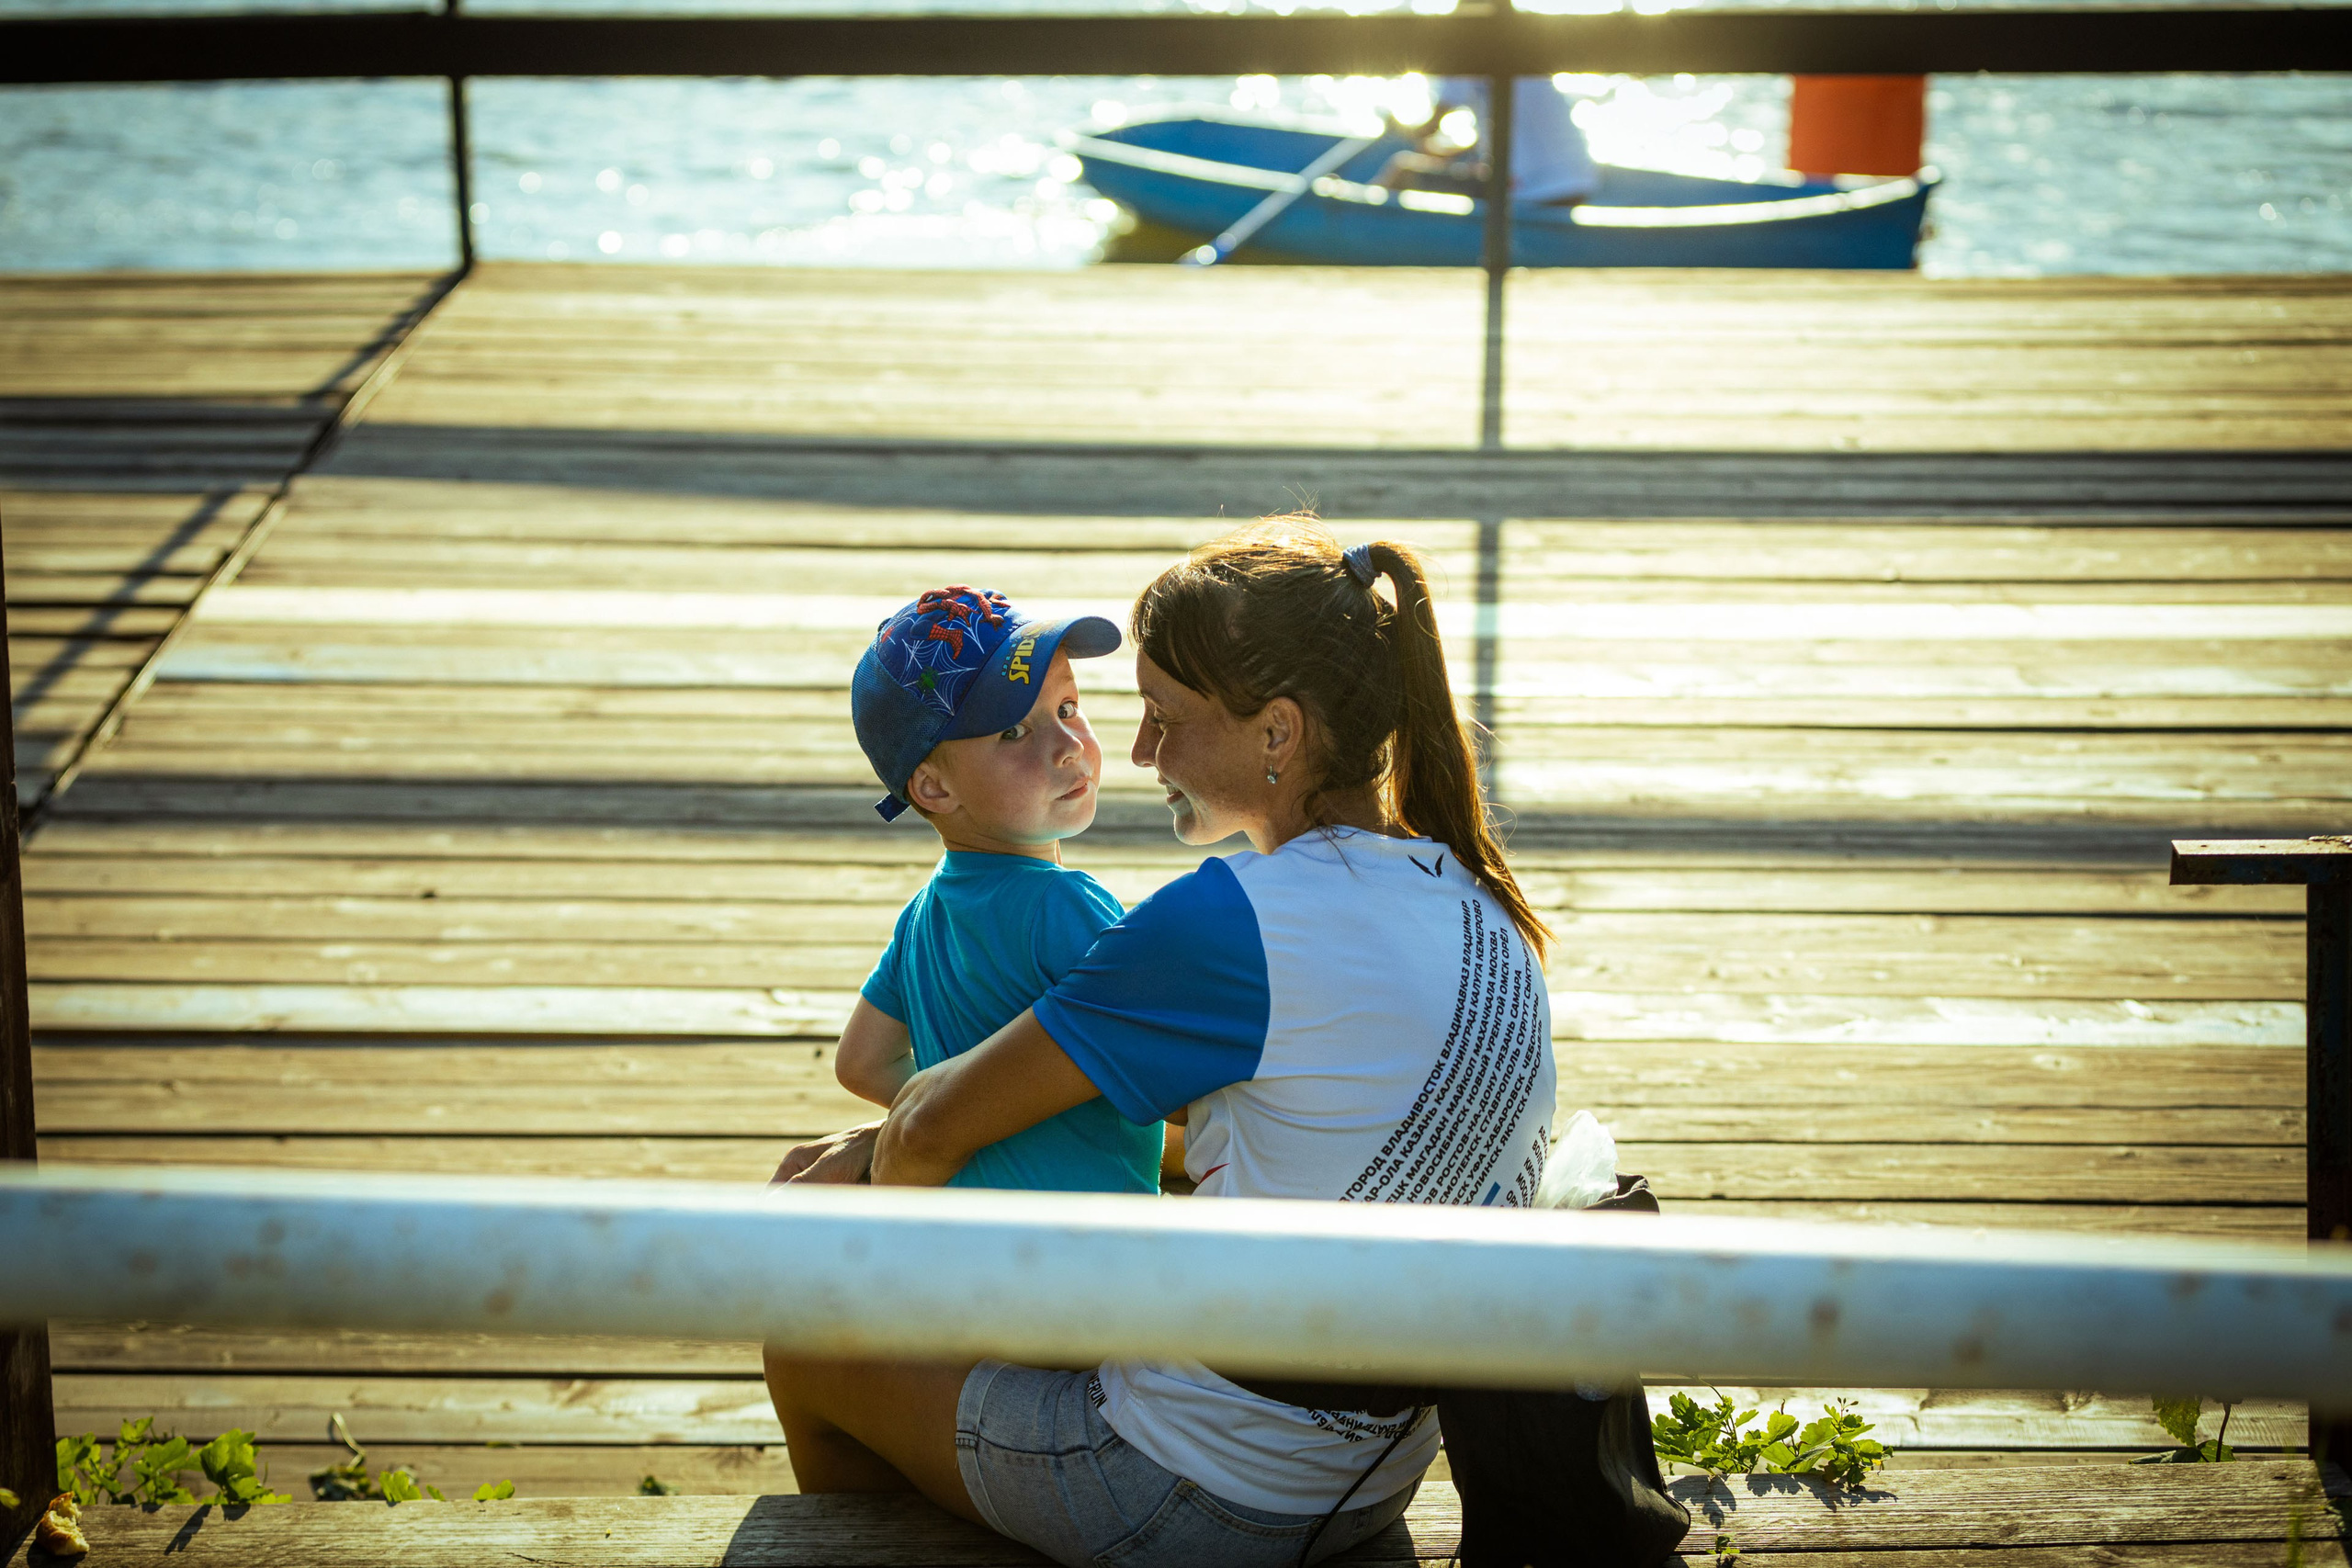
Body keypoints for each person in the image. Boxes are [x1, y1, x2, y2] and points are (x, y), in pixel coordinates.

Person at [765, 520, 1558, 1568]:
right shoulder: (1474, 897)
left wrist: (872, 1194)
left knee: (805, 1335)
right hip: (1371, 1468)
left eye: (1160, 717)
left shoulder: (1230, 925)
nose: (1134, 754)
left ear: (1276, 733)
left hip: (1202, 1494)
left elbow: (925, 1128)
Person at [832, 583, 1164, 1195]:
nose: (1068, 747)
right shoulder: (1063, 906)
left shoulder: (923, 916)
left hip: (972, 1237)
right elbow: (1165, 1062)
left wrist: (981, 1116)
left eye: (1067, 709)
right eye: (1013, 732)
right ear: (932, 788)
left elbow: (861, 1062)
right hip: (1090, 1248)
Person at [1377, 76, 1600, 207]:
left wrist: (1396, 127)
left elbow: (1427, 130)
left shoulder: (1467, 53)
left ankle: (1362, 211)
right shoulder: (1525, 52)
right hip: (1579, 181)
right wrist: (1441, 152)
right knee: (1473, 168)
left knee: (1403, 168)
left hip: (1528, 189)